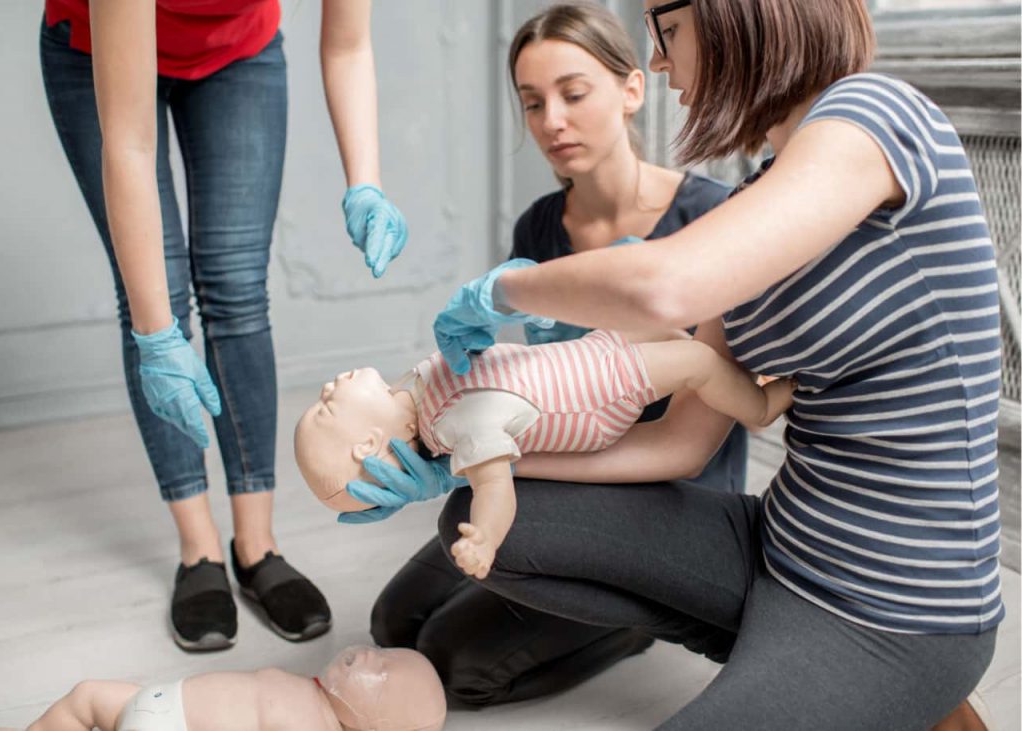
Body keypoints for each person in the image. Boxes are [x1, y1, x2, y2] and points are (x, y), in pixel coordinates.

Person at [373, 1, 1004, 729]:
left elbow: (665, 286)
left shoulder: (877, 113)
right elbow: (680, 442)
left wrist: (503, 290)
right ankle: (801, 667)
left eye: (666, 31)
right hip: (779, 544)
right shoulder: (754, 200)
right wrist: (471, 462)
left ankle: (885, 685)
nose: (658, 59)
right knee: (482, 522)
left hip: (898, 608)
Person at [349, 3, 752, 706]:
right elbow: (526, 394)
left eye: (574, 93)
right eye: (533, 103)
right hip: (565, 471)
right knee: (395, 622)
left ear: (632, 89)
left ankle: (636, 618)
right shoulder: (539, 226)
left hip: (665, 490)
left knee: (459, 666)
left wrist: (484, 470)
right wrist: (446, 448)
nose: (552, 122)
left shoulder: (714, 221)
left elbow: (689, 442)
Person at [40, 0, 406, 651]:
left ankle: (256, 546)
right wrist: (157, 336)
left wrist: (366, 183)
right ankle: (199, 549)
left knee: (238, 292)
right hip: (94, 49)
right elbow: (129, 144)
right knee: (154, 298)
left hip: (238, 54)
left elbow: (348, 46)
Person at [293, 328, 794, 577]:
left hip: (588, 352)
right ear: (367, 444)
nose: (327, 389)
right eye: (325, 408)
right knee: (696, 361)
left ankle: (745, 377)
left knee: (666, 328)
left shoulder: (417, 389)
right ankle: (761, 406)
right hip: (597, 394)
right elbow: (496, 489)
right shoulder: (459, 425)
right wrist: (485, 538)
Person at [2, 645, 446, 731]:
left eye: (382, 673)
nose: (370, 654)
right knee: (86, 696)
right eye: (383, 651)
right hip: (155, 703)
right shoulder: (311, 689)